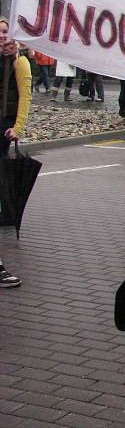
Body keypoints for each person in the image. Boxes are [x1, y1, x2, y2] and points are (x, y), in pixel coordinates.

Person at [0, 17, 32, 288]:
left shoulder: (19, 62)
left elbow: (26, 96)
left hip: (4, 127)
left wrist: (18, 127)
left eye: (5, 32)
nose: (2, 36)